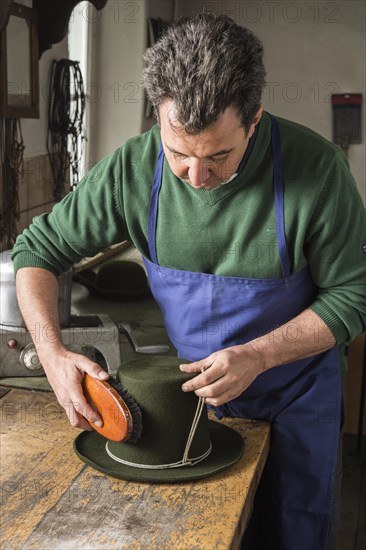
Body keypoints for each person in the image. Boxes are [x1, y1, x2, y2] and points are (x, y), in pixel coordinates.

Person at [11, 13, 366, 550]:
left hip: (296, 395)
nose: (196, 179)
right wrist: (52, 352)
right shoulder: (132, 169)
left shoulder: (316, 171)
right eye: (178, 153)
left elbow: (354, 295)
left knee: (293, 530)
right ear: (158, 117)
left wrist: (259, 355)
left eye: (219, 156)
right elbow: (36, 250)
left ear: (254, 119)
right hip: (195, 400)